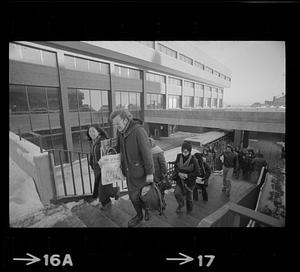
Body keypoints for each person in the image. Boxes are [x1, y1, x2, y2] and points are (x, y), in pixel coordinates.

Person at [110, 109, 154, 227]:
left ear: (125, 120)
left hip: (141, 172)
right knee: (133, 197)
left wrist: (150, 172)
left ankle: (147, 210)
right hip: (128, 172)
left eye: (117, 123)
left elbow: (147, 153)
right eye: (114, 124)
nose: (116, 127)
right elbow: (119, 148)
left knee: (143, 196)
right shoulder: (120, 132)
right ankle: (139, 215)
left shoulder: (139, 131)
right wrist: (110, 154)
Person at [87, 125, 120, 209]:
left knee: (103, 186)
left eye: (93, 131)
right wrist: (91, 163)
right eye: (90, 131)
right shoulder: (93, 141)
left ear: (98, 131)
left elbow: (109, 152)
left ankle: (105, 202)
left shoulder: (103, 141)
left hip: (104, 167)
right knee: (102, 185)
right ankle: (111, 195)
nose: (91, 133)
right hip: (96, 167)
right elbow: (92, 154)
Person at [173, 142, 200, 213]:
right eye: (183, 150)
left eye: (186, 151)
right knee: (177, 193)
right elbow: (176, 166)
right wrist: (178, 173)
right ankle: (181, 204)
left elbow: (197, 172)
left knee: (189, 197)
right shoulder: (179, 156)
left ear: (189, 151)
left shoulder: (193, 160)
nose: (184, 152)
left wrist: (187, 175)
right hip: (180, 180)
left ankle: (189, 210)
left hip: (190, 182)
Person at [149, 137, 168, 208]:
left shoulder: (146, 152)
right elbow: (163, 164)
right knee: (160, 190)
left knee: (153, 190)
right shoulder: (158, 151)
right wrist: (165, 173)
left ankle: (154, 204)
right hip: (159, 175)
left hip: (150, 175)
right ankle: (161, 204)